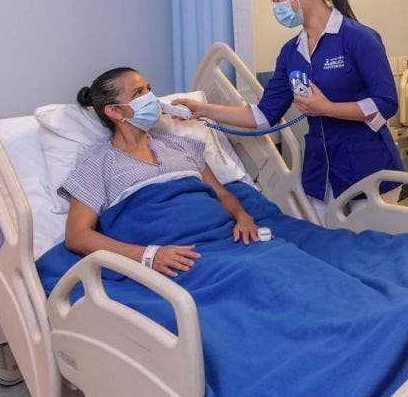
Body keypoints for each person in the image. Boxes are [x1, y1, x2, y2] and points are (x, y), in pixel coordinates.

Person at [175, 0, 403, 223]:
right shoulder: (291, 52)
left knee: (369, 256)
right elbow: (262, 116)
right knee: (327, 253)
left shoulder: (358, 38)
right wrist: (203, 110)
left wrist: (328, 108)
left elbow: (386, 103)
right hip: (321, 175)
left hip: (368, 171)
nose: (276, 7)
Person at [61, 67, 260, 278]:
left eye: (149, 89)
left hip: (225, 241)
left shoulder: (182, 146)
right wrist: (148, 256)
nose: (150, 98)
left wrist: (243, 217)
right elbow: (77, 235)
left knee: (278, 267)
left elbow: (221, 194)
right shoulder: (97, 163)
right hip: (176, 258)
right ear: (115, 111)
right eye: (138, 93)